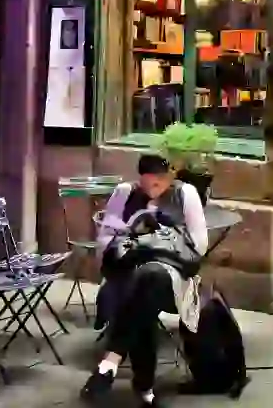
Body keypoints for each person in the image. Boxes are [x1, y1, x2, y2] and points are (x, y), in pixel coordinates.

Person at [81, 155, 209, 407]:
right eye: (148, 185)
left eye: (159, 184)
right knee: (142, 293)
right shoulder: (124, 192)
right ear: (140, 180)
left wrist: (163, 234)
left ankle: (111, 363)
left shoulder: (186, 194)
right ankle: (144, 388)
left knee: (149, 279)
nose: (153, 190)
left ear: (169, 179)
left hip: (170, 272)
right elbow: (104, 241)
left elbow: (200, 246)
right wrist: (132, 238)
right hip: (130, 268)